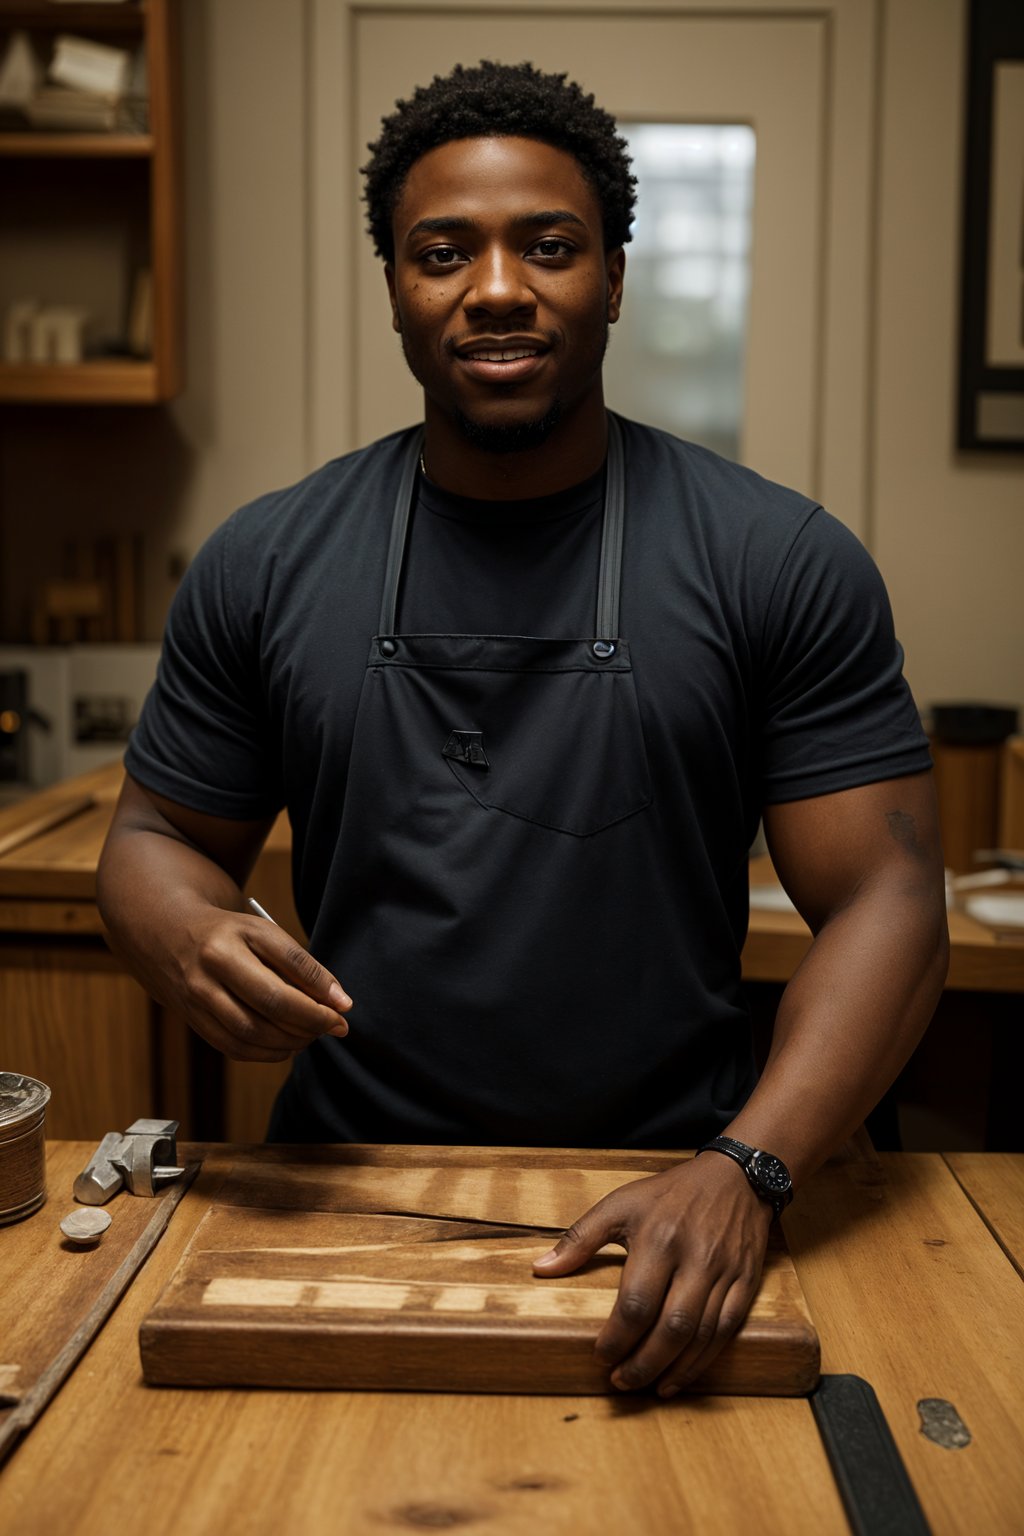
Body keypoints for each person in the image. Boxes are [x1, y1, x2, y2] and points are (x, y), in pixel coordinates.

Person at [98, 61, 948, 1399]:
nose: (497, 287)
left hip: (682, 1174)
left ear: (612, 272)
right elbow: (152, 836)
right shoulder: (265, 560)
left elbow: (891, 899)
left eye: (548, 246)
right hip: (342, 1187)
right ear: (394, 283)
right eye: (445, 251)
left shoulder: (777, 557)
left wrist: (751, 1167)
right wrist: (183, 928)